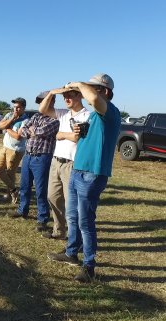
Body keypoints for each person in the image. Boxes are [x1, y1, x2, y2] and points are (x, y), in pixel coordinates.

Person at [48, 74, 121, 283]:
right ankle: (71, 252)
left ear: (105, 92)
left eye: (93, 88)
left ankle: (89, 267)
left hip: (92, 173)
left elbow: (93, 99)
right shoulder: (94, 116)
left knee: (85, 222)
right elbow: (89, 136)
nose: (86, 91)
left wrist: (77, 84)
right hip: (78, 169)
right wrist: (81, 131)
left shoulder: (110, 111)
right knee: (72, 217)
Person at [38, 88, 90, 240]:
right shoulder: (63, 113)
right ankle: (59, 231)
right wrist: (52, 93)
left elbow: (77, 138)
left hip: (71, 163)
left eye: (70, 96)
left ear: (80, 96)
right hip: (56, 161)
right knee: (52, 197)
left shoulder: (87, 115)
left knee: (71, 204)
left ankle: (75, 238)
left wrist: (61, 135)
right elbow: (42, 109)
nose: (66, 99)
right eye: (64, 96)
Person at [10, 95, 60, 233]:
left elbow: (42, 131)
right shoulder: (36, 116)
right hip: (28, 156)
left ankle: (42, 219)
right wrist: (32, 131)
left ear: (52, 101)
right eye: (39, 102)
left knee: (40, 190)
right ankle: (22, 210)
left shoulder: (56, 119)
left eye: (43, 101)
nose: (40, 104)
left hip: (42, 158)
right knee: (24, 186)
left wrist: (32, 131)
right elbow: (24, 130)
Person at [0, 97, 29, 203]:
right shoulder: (9, 115)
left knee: (10, 173)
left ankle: (9, 195)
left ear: (23, 108)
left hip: (16, 150)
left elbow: (18, 137)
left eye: (18, 108)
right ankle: (14, 190)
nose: (15, 110)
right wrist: (11, 120)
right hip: (5, 146)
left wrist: (7, 128)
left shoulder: (26, 120)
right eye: (14, 107)